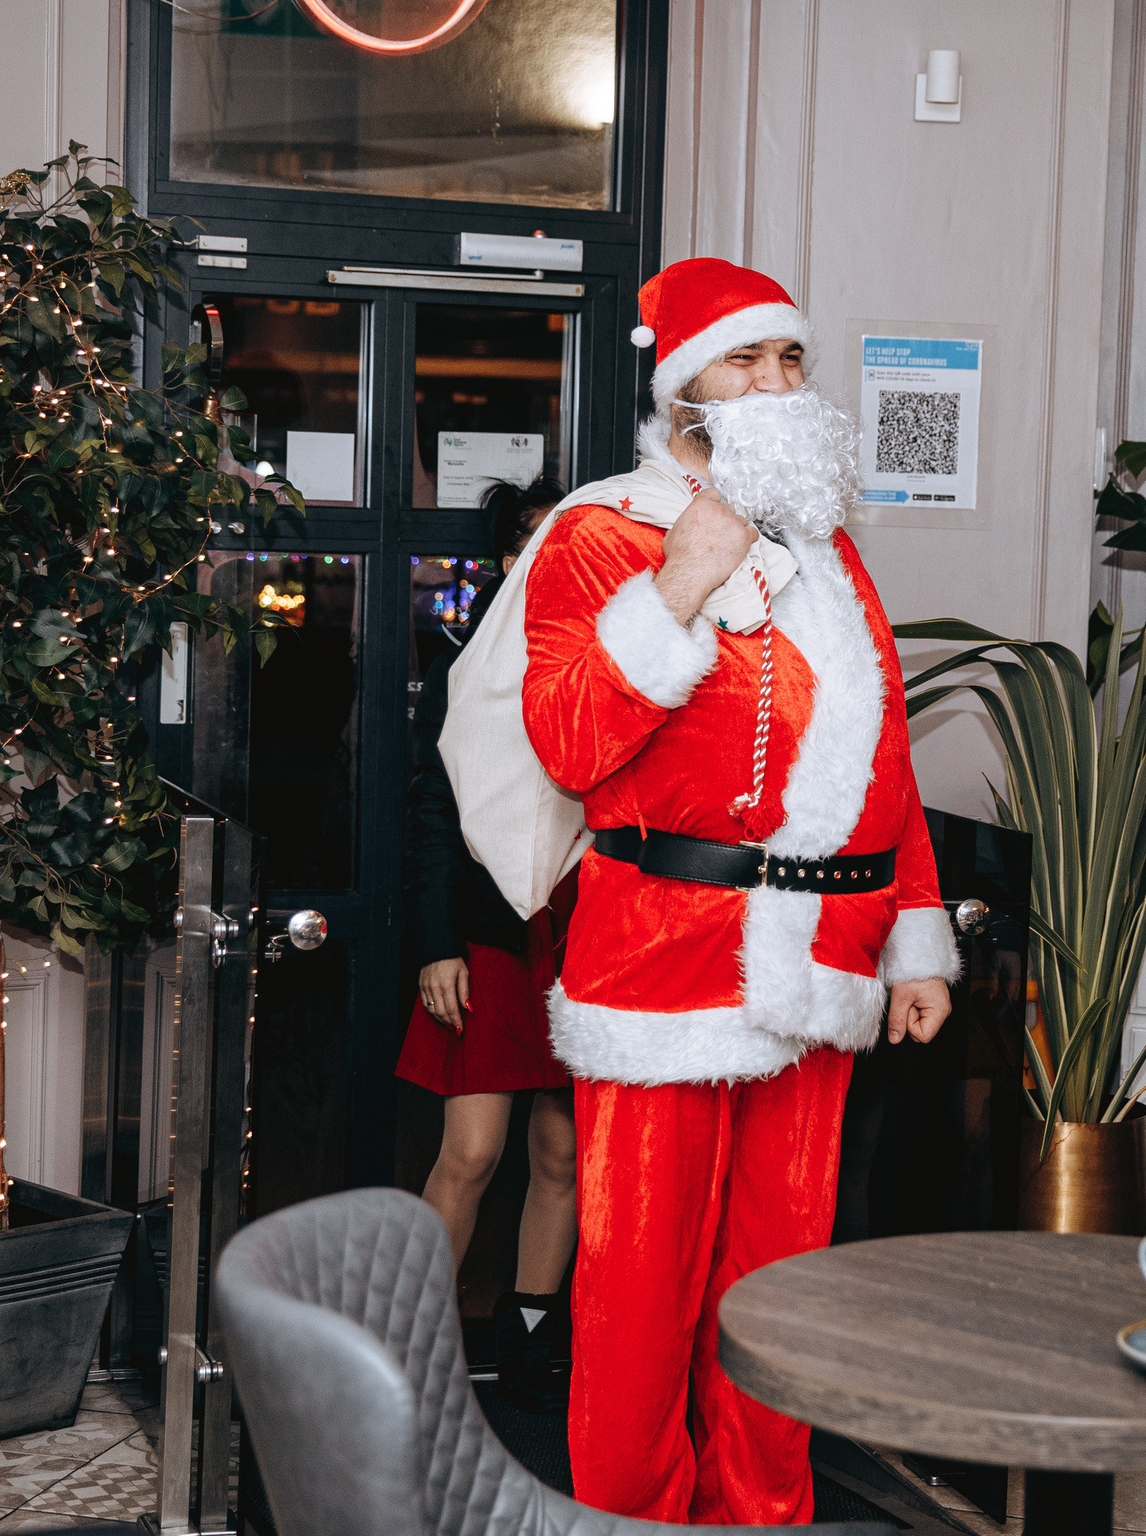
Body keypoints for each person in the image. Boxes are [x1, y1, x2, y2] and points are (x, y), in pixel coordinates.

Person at [516, 258, 959, 1523]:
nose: (775, 382)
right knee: (640, 1294)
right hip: (662, 964)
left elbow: (882, 753)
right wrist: (678, 583)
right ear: (682, 390)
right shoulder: (601, 533)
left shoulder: (829, 550)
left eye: (790, 358)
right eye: (743, 359)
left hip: (817, 964)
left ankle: (763, 1517)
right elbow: (568, 742)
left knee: (778, 1293)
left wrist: (913, 938)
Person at [394, 476, 576, 1412]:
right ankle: (414, 1347)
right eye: (532, 543)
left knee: (563, 1152)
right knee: (470, 1151)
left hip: (582, 933)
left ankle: (531, 1337)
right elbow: (429, 814)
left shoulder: (606, 660)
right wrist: (437, 944)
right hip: (488, 933)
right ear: (506, 558)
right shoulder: (466, 668)